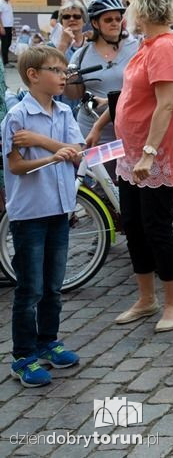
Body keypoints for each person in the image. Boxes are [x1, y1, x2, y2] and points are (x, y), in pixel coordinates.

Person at [112, 0, 173, 334]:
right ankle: (146, 299)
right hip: (131, 156)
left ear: (144, 7)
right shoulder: (147, 45)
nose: (128, 11)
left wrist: (148, 153)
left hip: (153, 157)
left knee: (156, 228)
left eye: (131, 3)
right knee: (132, 224)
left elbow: (165, 106)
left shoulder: (164, 47)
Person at [3, 45, 84, 387]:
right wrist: (54, 156)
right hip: (31, 213)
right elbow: (16, 165)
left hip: (59, 209)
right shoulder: (16, 117)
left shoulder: (64, 113)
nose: (63, 76)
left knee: (53, 284)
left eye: (65, 71)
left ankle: (48, 340)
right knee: (30, 286)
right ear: (33, 76)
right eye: (55, 70)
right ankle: (23, 355)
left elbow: (78, 153)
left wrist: (44, 143)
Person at [61, 0, 138, 148]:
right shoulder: (81, 55)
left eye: (118, 18)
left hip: (128, 127)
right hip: (91, 128)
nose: (115, 23)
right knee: (96, 172)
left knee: (126, 171)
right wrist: (68, 75)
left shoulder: (136, 48)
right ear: (95, 23)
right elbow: (74, 95)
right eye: (108, 20)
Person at [0, 0, 14, 66]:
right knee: (5, 44)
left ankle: (4, 60)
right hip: (3, 27)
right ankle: (5, 62)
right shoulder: (0, 3)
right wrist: (1, 27)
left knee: (8, 43)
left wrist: (12, 27)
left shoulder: (9, 4)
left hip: (9, 27)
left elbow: (10, 16)